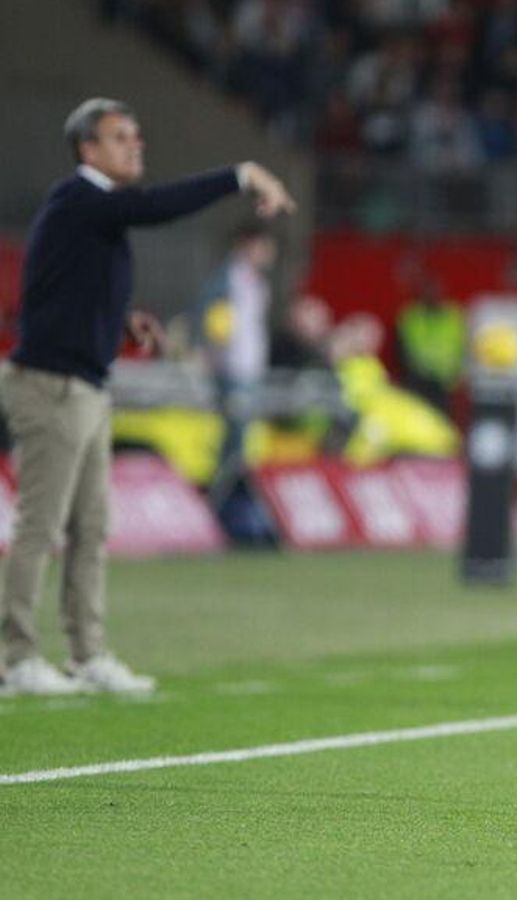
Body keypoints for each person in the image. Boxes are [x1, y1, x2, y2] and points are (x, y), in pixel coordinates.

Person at [0, 98, 295, 695]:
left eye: (136, 136)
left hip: (84, 385)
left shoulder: (88, 214)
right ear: (88, 149)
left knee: (90, 526)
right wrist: (239, 175)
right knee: (41, 526)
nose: (135, 145)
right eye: (119, 137)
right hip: (51, 387)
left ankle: (86, 655)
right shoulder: (80, 198)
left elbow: (59, 289)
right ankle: (15, 658)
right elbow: (154, 208)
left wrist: (119, 322)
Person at [196, 220, 279, 515]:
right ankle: (217, 506)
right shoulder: (228, 279)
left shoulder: (255, 282)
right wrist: (210, 353)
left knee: (241, 442)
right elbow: (211, 320)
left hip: (249, 372)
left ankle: (229, 503)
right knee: (234, 441)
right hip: (232, 372)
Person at [395, 274, 466, 414]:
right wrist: (410, 375)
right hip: (417, 381)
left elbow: (463, 348)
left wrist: (458, 375)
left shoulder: (454, 317)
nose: (431, 294)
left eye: (435, 290)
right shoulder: (412, 316)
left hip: (444, 384)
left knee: (441, 424)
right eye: (427, 291)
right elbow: (400, 349)